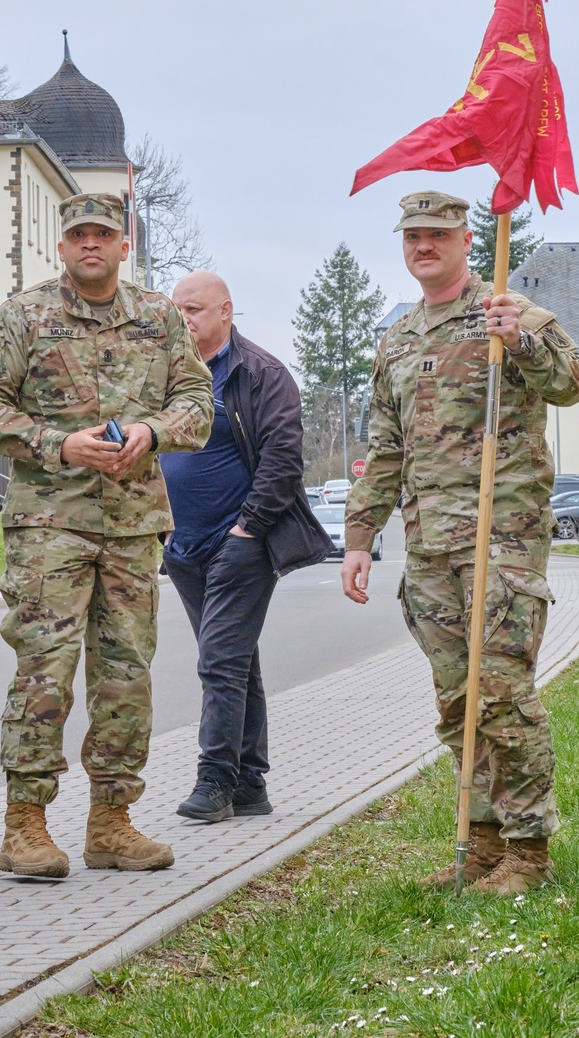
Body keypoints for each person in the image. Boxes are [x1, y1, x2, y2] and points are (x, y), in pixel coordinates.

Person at [342, 192, 579, 894]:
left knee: (503, 694)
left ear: (466, 238)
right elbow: (385, 449)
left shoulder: (509, 315)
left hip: (499, 543)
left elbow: (569, 384)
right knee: (458, 700)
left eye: (437, 235)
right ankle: (479, 844)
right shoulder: (398, 338)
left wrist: (525, 341)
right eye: (413, 236)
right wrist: (360, 537)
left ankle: (528, 850)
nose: (424, 246)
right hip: (430, 551)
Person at [0, 193, 213, 880]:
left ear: (124, 244)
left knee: (126, 676)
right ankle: (25, 823)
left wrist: (152, 431)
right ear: (62, 246)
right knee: (45, 668)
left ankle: (111, 820)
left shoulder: (161, 318)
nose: (92, 245)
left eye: (104, 233)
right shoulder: (24, 315)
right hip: (51, 522)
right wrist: (58, 444)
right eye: (80, 236)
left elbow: (198, 403)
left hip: (133, 525)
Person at [161, 272, 331, 823]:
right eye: (177, 309)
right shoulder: (163, 375)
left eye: (193, 309)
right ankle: (251, 783)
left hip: (239, 544)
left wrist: (247, 530)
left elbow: (283, 460)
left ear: (225, 311)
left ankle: (214, 781)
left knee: (219, 660)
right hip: (180, 546)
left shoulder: (261, 373)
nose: (183, 319)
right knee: (237, 662)